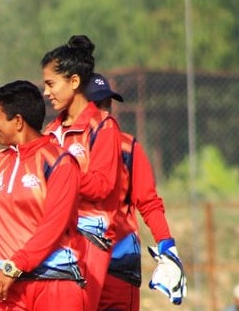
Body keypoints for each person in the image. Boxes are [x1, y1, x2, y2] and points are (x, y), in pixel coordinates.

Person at [0, 80, 85, 310]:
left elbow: (53, 227)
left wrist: (15, 266)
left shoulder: (60, 162)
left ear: (18, 121)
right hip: (2, 285)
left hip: (53, 282)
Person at [41, 35, 126, 311]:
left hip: (89, 236)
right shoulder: (50, 132)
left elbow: (102, 185)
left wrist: (60, 181)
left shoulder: (103, 127)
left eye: (51, 84)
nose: (46, 92)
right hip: (54, 231)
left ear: (74, 82)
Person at [88, 73, 186, 310]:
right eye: (96, 105)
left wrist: (167, 245)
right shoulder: (63, 146)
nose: (105, 112)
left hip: (118, 258)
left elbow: (149, 202)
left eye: (107, 105)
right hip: (79, 261)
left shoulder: (127, 147)